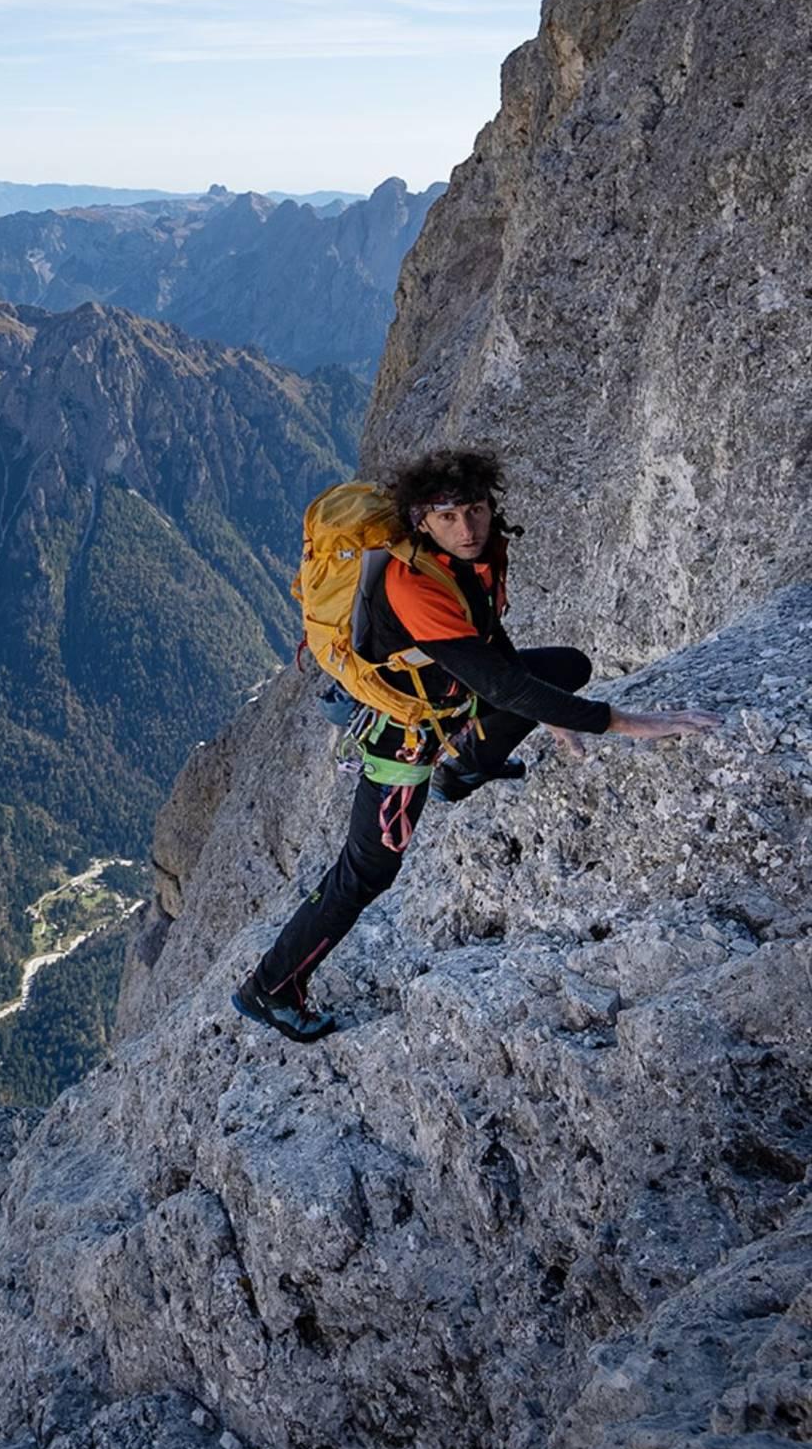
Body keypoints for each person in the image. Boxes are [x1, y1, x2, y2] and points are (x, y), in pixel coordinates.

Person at [232, 447, 721, 1043]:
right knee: (369, 870)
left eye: (476, 511)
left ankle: (465, 769)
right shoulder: (412, 583)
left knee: (567, 666)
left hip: (451, 691)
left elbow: (488, 640)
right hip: (406, 729)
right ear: (419, 521)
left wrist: (550, 711)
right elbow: (501, 682)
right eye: (448, 517)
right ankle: (270, 986)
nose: (467, 528)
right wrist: (628, 722)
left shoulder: (476, 555)